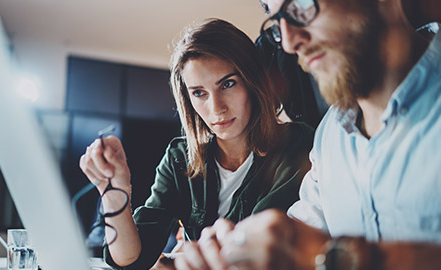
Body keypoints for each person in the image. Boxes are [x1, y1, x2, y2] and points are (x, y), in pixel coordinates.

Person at [174, 0, 441, 269]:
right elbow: (297, 235)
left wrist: (340, 257)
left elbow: (317, 253)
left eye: (301, 5)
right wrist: (239, 254)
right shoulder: (330, 136)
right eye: (277, 19)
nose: (289, 43)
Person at [79, 18, 313, 269]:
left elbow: (253, 247)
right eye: (199, 93)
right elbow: (131, 261)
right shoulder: (180, 158)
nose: (217, 108)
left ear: (253, 83)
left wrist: (177, 261)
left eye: (228, 84)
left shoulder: (295, 143)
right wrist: (114, 192)